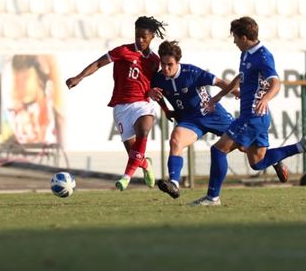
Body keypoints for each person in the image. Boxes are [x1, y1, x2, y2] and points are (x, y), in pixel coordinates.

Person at [192, 17, 306, 206]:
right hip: (258, 117)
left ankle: (212, 197)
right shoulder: (246, 54)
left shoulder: (263, 56)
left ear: (245, 37)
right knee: (257, 162)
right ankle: (301, 146)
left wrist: (265, 98)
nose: (234, 42)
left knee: (218, 150)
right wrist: (220, 95)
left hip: (253, 116)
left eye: (236, 38)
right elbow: (240, 77)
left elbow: (276, 82)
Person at [66, 16, 166, 191]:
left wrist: (153, 94)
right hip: (121, 107)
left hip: (143, 104)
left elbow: (153, 84)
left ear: (152, 36)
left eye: (144, 36)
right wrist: (79, 77)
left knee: (144, 130)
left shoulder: (155, 60)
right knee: (134, 155)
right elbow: (98, 63)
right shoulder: (123, 51)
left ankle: (125, 178)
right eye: (137, 36)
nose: (140, 40)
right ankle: (146, 165)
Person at [148, 40, 237, 199]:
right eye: (163, 64)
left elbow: (219, 82)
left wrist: (236, 92)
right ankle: (174, 184)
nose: (166, 68)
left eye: (170, 64)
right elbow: (157, 93)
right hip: (190, 121)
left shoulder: (192, 72)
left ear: (178, 62)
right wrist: (165, 108)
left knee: (246, 147)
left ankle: (274, 159)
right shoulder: (159, 79)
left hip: (212, 114)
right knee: (176, 140)